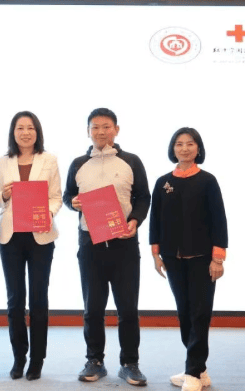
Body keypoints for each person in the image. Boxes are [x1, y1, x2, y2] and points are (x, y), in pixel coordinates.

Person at [63, 108, 151, 386]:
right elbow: (68, 195)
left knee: (128, 309)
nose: (101, 132)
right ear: (88, 131)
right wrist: (72, 203)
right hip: (90, 245)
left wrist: (135, 220)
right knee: (92, 309)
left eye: (106, 126)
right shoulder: (78, 164)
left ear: (116, 129)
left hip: (124, 245)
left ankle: (130, 363)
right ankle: (94, 360)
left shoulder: (131, 161)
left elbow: (143, 197)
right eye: (95, 127)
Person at [149, 128, 227, 391]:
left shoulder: (208, 181)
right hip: (173, 259)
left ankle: (192, 372)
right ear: (173, 148)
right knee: (184, 314)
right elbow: (155, 220)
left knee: (200, 314)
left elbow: (219, 220)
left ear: (198, 148)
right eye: (179, 144)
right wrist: (156, 254)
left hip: (202, 259)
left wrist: (218, 259)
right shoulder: (163, 183)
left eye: (190, 144)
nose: (184, 148)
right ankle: (199, 370)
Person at [0, 111, 63, 381]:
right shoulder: (3, 161)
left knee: (38, 299)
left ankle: (37, 359)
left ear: (37, 132)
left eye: (30, 128)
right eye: (20, 128)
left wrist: (48, 213)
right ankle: (19, 356)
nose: (25, 133)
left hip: (40, 235)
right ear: (13, 132)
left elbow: (56, 197)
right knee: (14, 300)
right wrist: (4, 194)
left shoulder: (49, 159)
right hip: (11, 236)